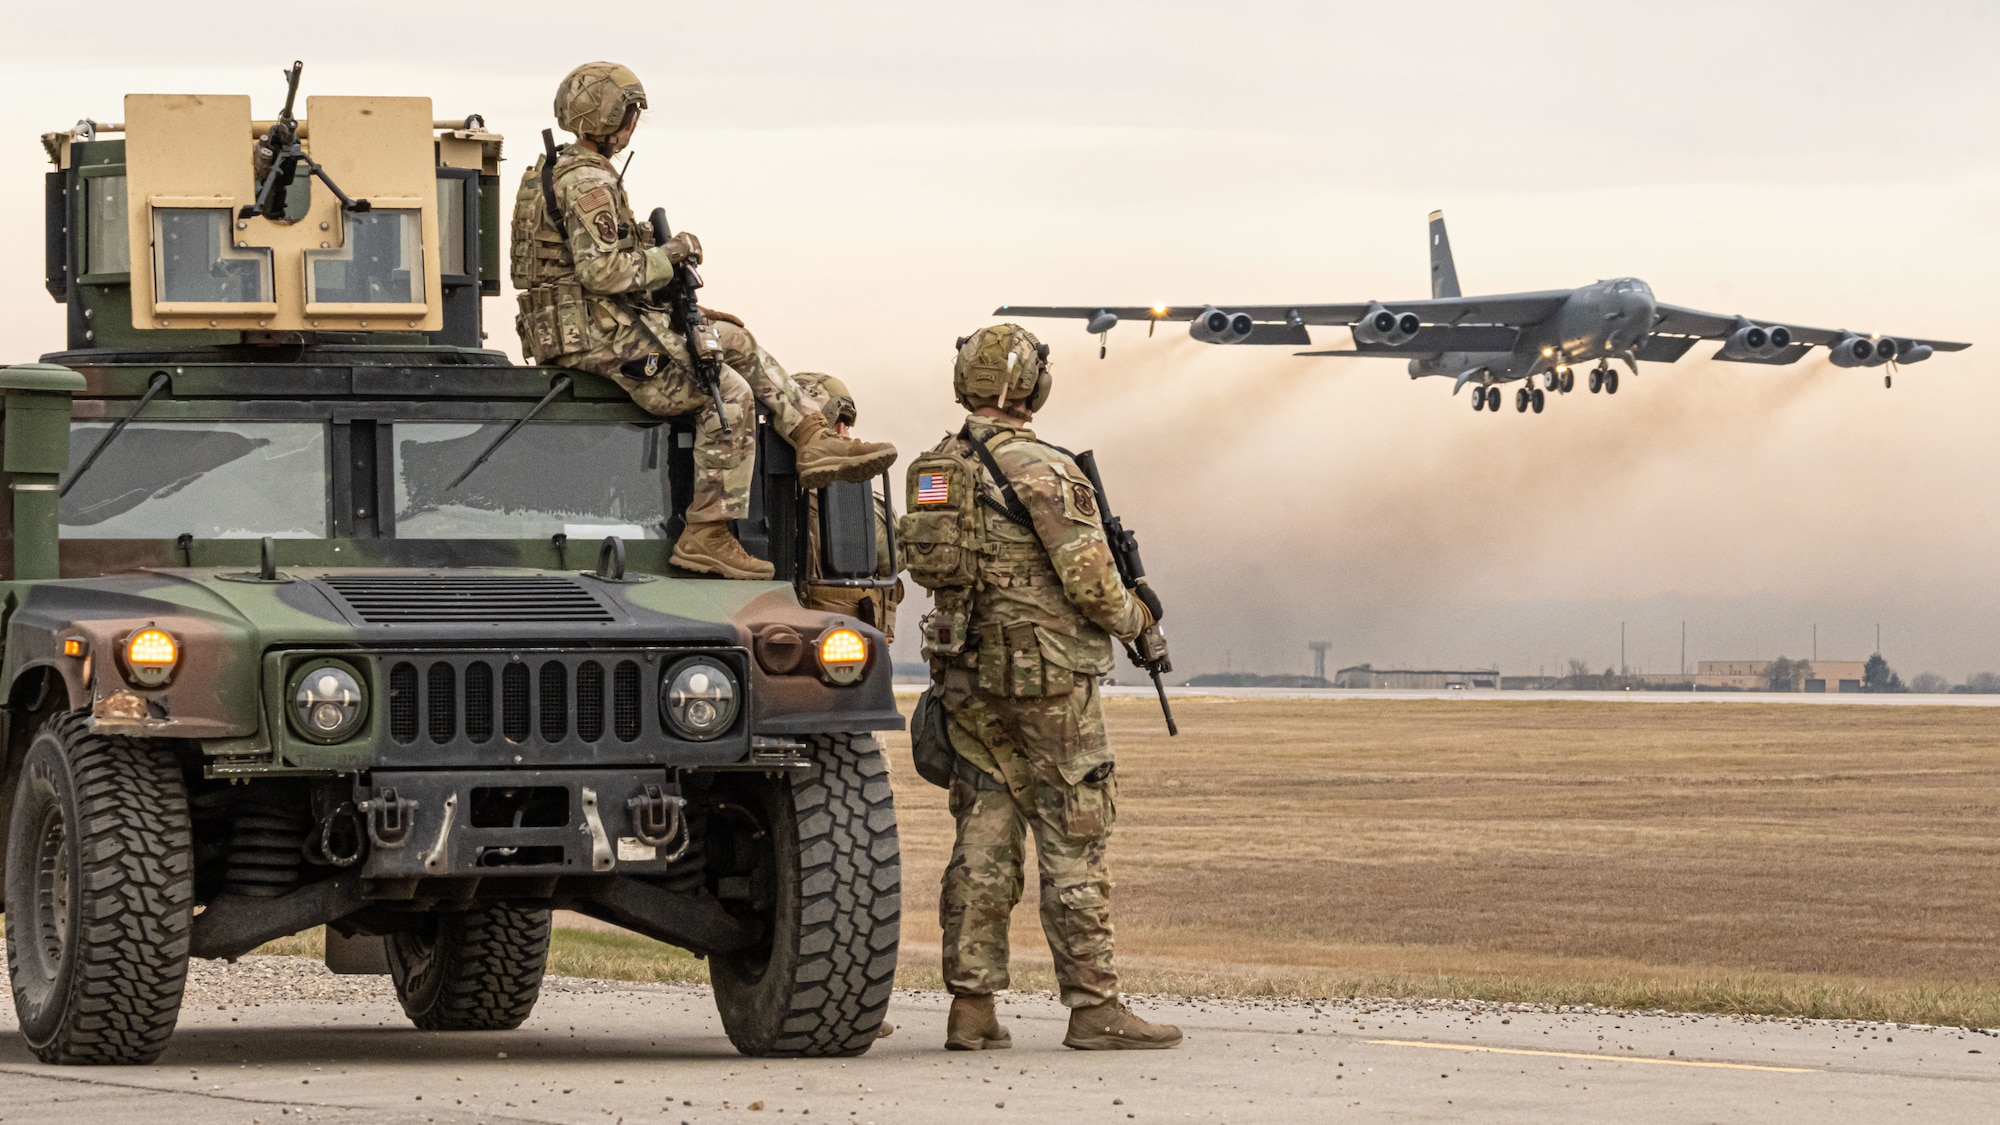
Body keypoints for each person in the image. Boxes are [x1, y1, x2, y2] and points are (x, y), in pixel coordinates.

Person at [902, 324, 1178, 1051]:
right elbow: (1093, 582)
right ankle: (1094, 1007)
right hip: (1049, 682)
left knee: (984, 835)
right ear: (1028, 388)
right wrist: (1138, 617)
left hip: (967, 679)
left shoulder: (938, 469)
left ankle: (972, 1008)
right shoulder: (1045, 470)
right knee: (1074, 834)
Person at [511, 62, 895, 580]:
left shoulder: (561, 170)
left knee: (732, 339)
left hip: (597, 321)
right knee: (728, 392)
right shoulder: (586, 181)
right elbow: (602, 270)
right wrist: (670, 254)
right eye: (629, 115)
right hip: (593, 333)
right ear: (613, 115)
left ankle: (812, 437)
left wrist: (657, 263)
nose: (630, 127)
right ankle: (707, 532)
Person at [794, 373, 903, 640]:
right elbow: (895, 559)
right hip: (836, 637)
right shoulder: (857, 500)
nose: (844, 432)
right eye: (837, 422)